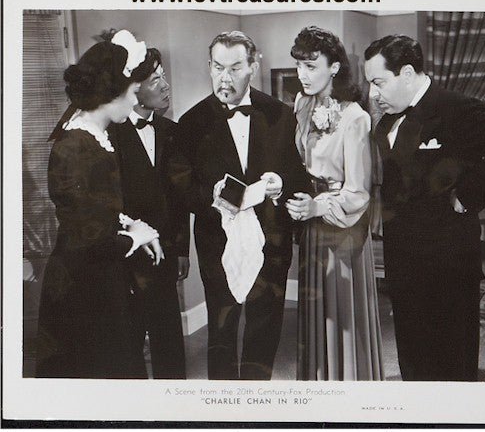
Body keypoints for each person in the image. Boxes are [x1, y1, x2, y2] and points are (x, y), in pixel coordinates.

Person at [363, 35, 485, 381]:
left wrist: (468, 196)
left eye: (378, 82)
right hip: (403, 265)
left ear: (407, 73)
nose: (373, 93)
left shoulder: (457, 108)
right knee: (413, 363)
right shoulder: (386, 121)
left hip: (448, 266)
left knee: (452, 368)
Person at [169, 31, 307, 380]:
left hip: (271, 243)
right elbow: (180, 190)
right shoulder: (190, 123)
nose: (225, 78)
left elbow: (299, 178)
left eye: (234, 68)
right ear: (209, 67)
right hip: (217, 245)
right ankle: (223, 404)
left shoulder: (281, 115)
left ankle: (256, 400)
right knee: (222, 332)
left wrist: (281, 185)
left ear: (253, 67)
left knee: (265, 328)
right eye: (218, 68)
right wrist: (211, 197)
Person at [36, 30, 163, 378]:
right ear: (113, 93)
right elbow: (87, 239)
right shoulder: (74, 147)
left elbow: (94, 207)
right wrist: (136, 237)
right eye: (133, 92)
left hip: (100, 279)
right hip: (81, 288)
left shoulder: (96, 137)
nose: (135, 101)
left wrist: (130, 224)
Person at [285, 26, 384, 381]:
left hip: (343, 227)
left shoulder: (356, 117)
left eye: (311, 66)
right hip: (311, 227)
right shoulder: (302, 104)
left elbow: (359, 192)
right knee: (316, 314)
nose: (302, 74)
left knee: (343, 316)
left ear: (334, 68)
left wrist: (318, 206)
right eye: (299, 65)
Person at [109, 48, 188, 379]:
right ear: (134, 87)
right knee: (128, 346)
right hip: (127, 257)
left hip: (165, 254)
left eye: (164, 76)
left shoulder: (172, 131)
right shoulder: (109, 136)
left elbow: (179, 198)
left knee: (169, 340)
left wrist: (182, 250)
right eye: (156, 79)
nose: (166, 86)